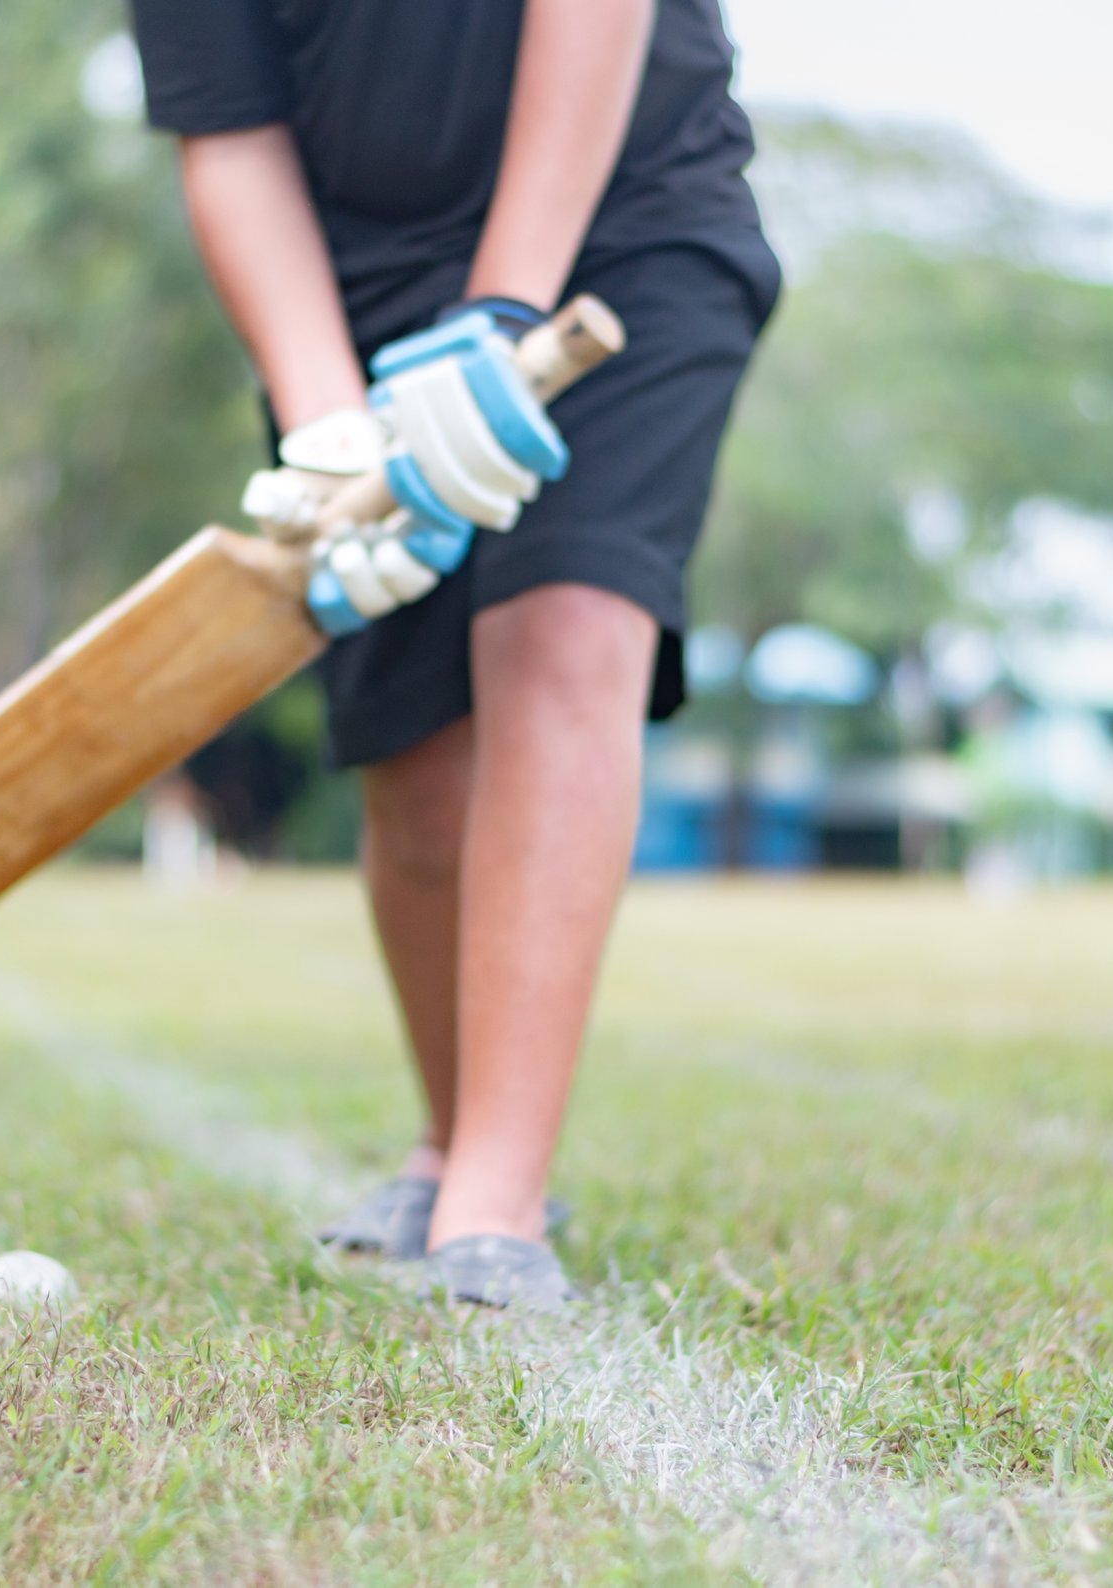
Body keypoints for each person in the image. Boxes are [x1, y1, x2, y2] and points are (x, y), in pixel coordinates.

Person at [129, 0, 781, 1309]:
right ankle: (450, 1137)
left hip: (622, 216)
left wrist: (498, 311)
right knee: (419, 766)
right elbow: (229, 130)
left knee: (565, 629)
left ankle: (497, 1199)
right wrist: (327, 427)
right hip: (354, 277)